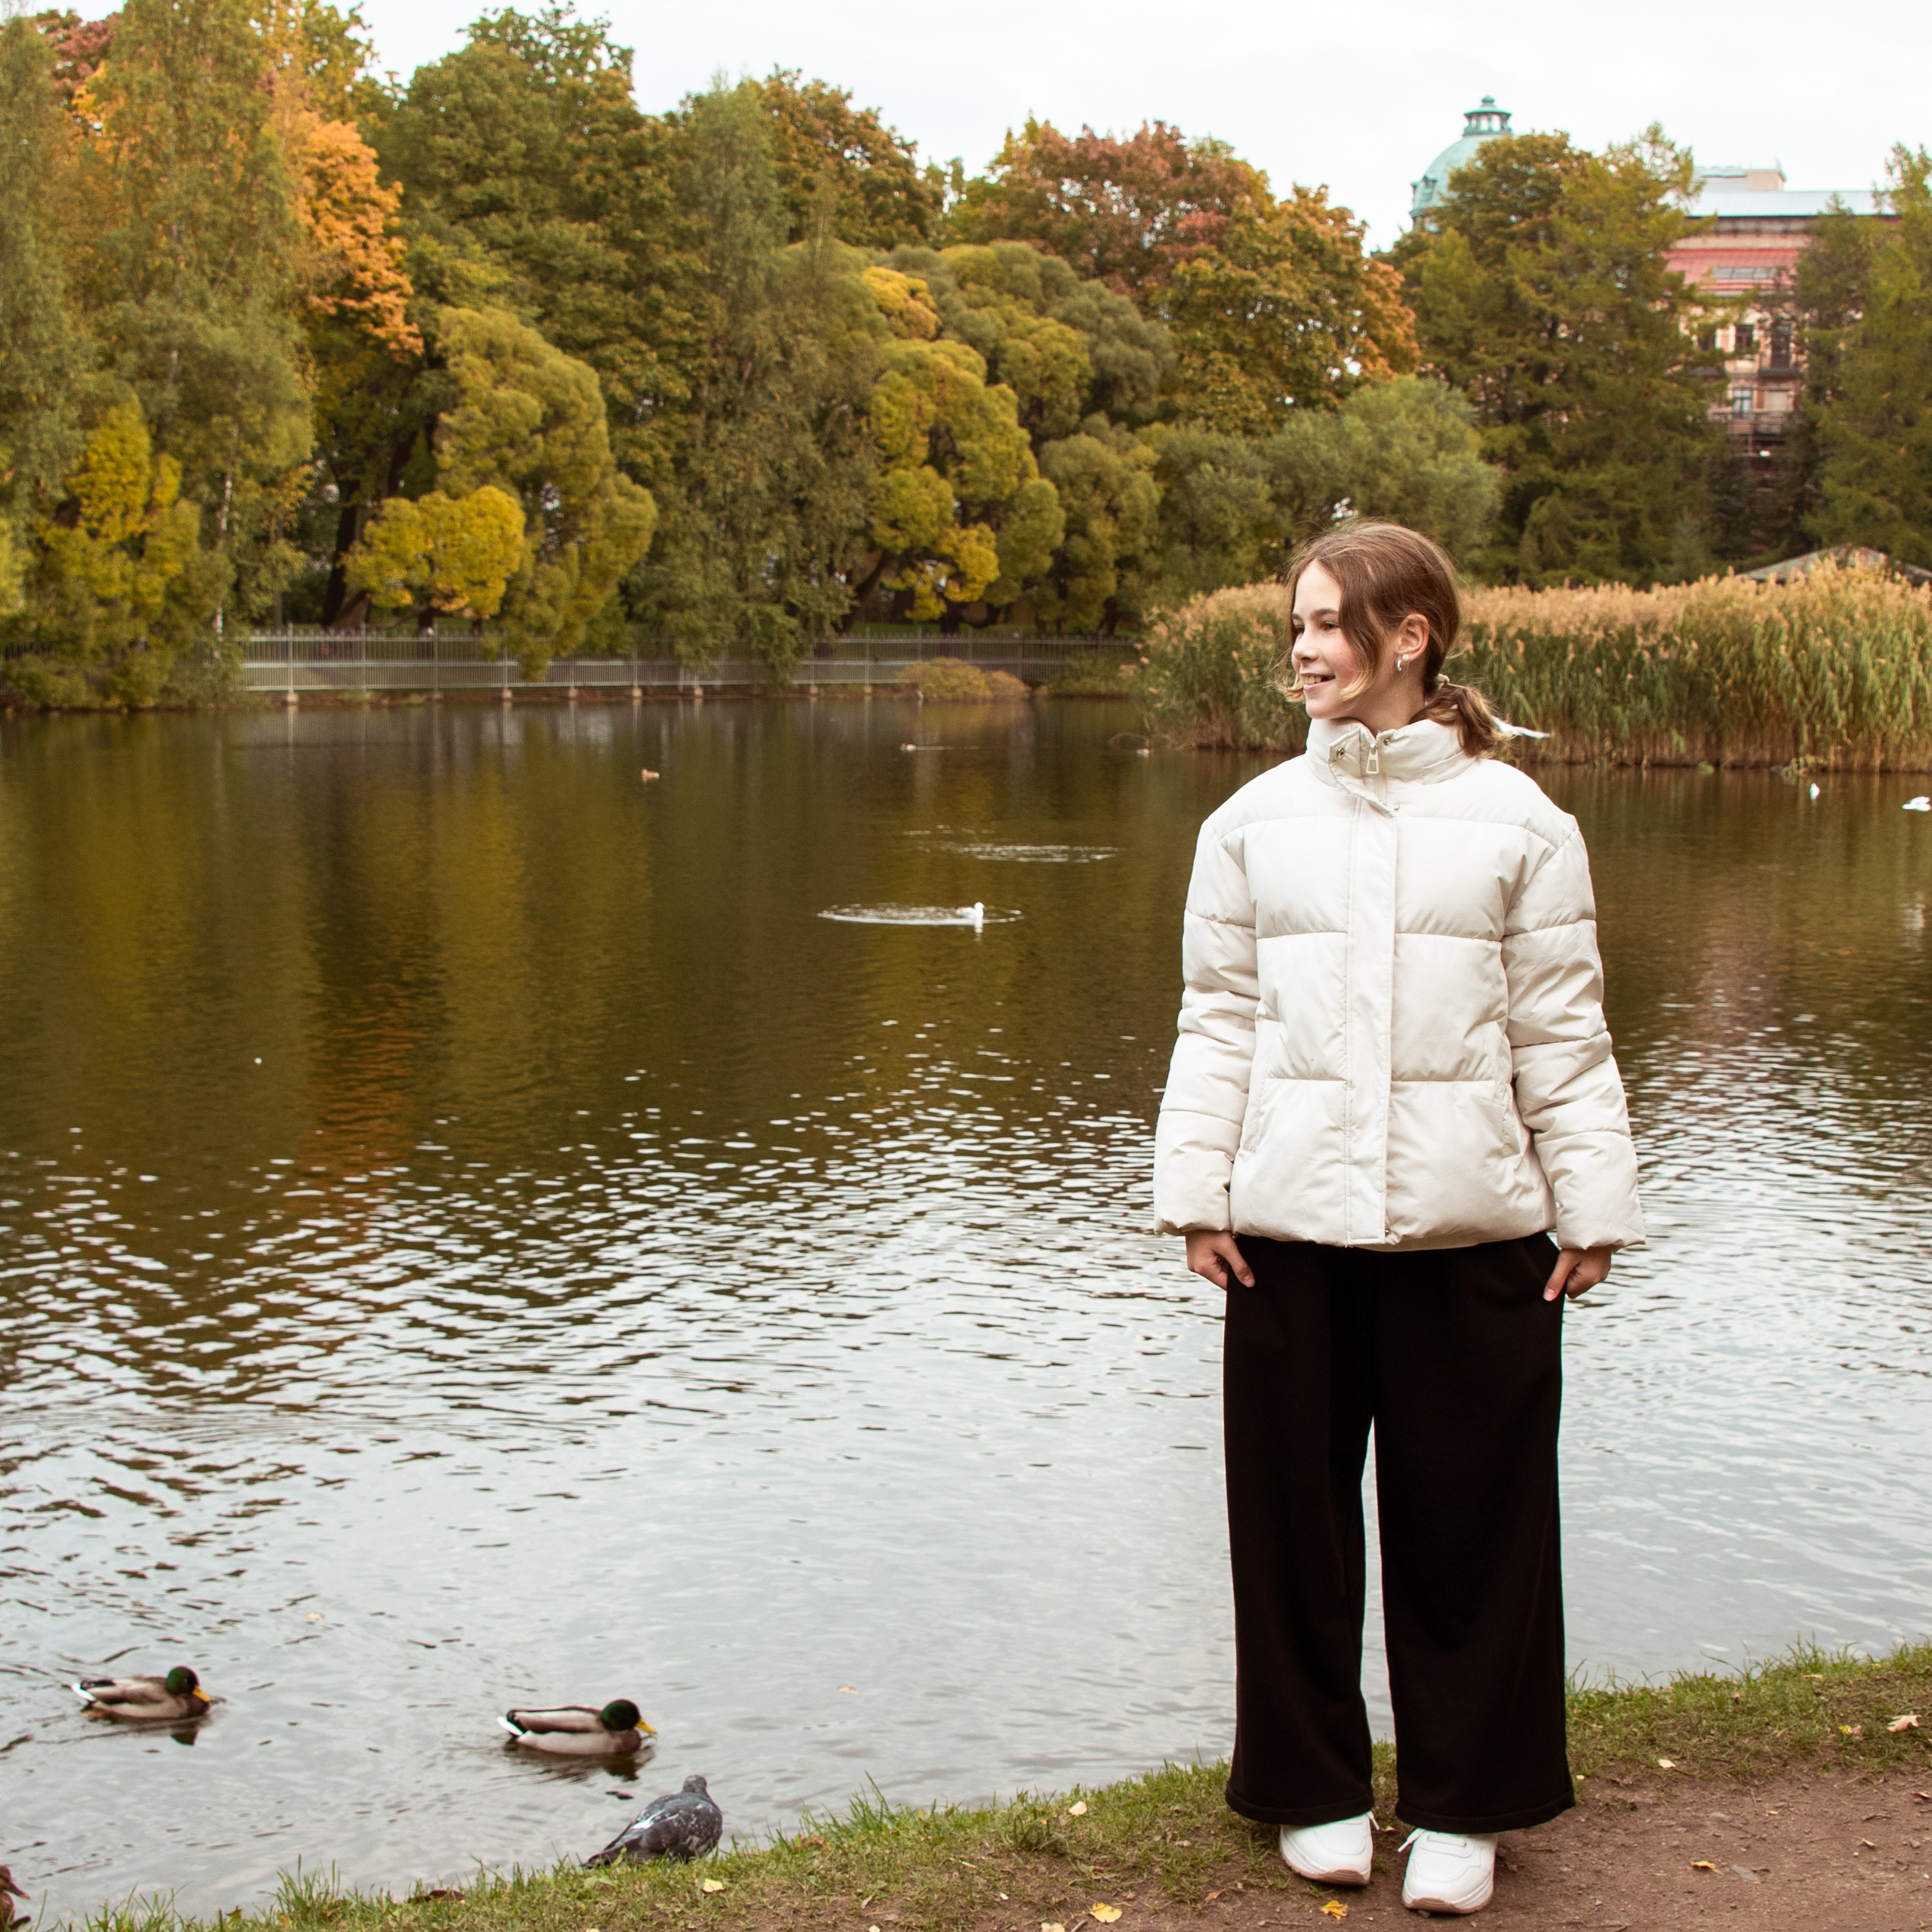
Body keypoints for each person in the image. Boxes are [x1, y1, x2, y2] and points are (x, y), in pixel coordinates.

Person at [1152, 521, 1644, 1917]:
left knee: (1473, 1530)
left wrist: (1591, 1209)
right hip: (1286, 1238)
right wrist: (1196, 1196)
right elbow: (1218, 1022)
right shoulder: (1245, 825)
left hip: (1474, 1237)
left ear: (1410, 636)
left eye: (1325, 625)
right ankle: (1309, 1789)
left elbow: (1563, 1032)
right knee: (1293, 1526)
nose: (1301, 651)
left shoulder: (1523, 824)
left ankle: (1463, 1810)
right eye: (1294, 626)